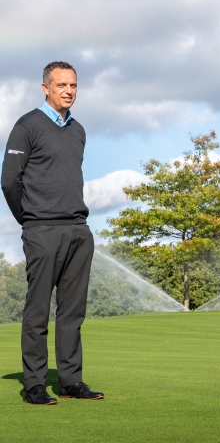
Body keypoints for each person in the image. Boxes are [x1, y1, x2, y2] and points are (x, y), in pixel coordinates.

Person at [1, 61, 104, 405]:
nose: (69, 91)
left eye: (73, 85)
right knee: (38, 312)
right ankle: (33, 384)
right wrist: (29, 220)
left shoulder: (79, 130)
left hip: (78, 230)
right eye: (61, 85)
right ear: (45, 88)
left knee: (73, 313)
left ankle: (70, 382)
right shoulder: (27, 125)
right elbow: (8, 181)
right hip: (41, 229)